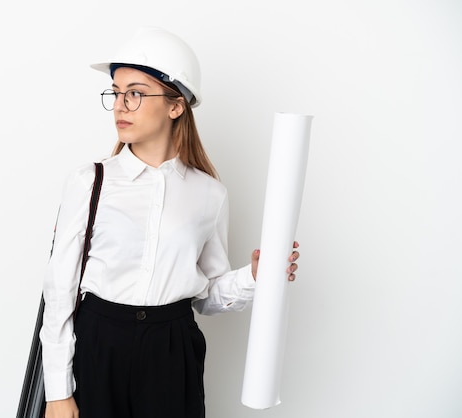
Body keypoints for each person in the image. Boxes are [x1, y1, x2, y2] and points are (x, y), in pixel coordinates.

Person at [40, 27, 300, 418]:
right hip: (98, 344)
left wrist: (256, 276)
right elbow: (59, 292)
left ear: (176, 106)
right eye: (116, 91)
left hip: (172, 348)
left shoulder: (210, 194)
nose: (120, 106)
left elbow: (206, 296)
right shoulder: (90, 181)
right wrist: (58, 391)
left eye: (136, 93)